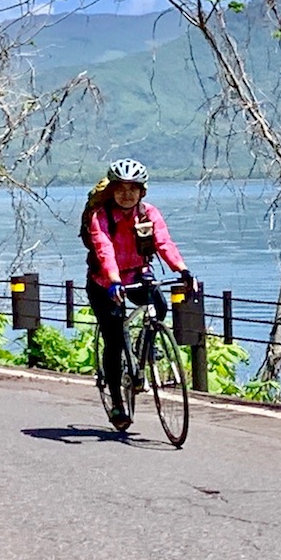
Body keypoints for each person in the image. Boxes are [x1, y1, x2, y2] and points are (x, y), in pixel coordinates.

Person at [84, 158, 193, 432]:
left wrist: (182, 269)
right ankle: (118, 401)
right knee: (114, 339)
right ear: (112, 190)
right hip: (105, 282)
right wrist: (112, 280)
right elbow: (104, 248)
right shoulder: (102, 216)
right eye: (121, 188)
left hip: (138, 274)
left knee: (159, 306)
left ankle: (146, 344)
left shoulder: (149, 213)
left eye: (133, 188)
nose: (127, 194)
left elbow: (163, 242)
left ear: (142, 191)